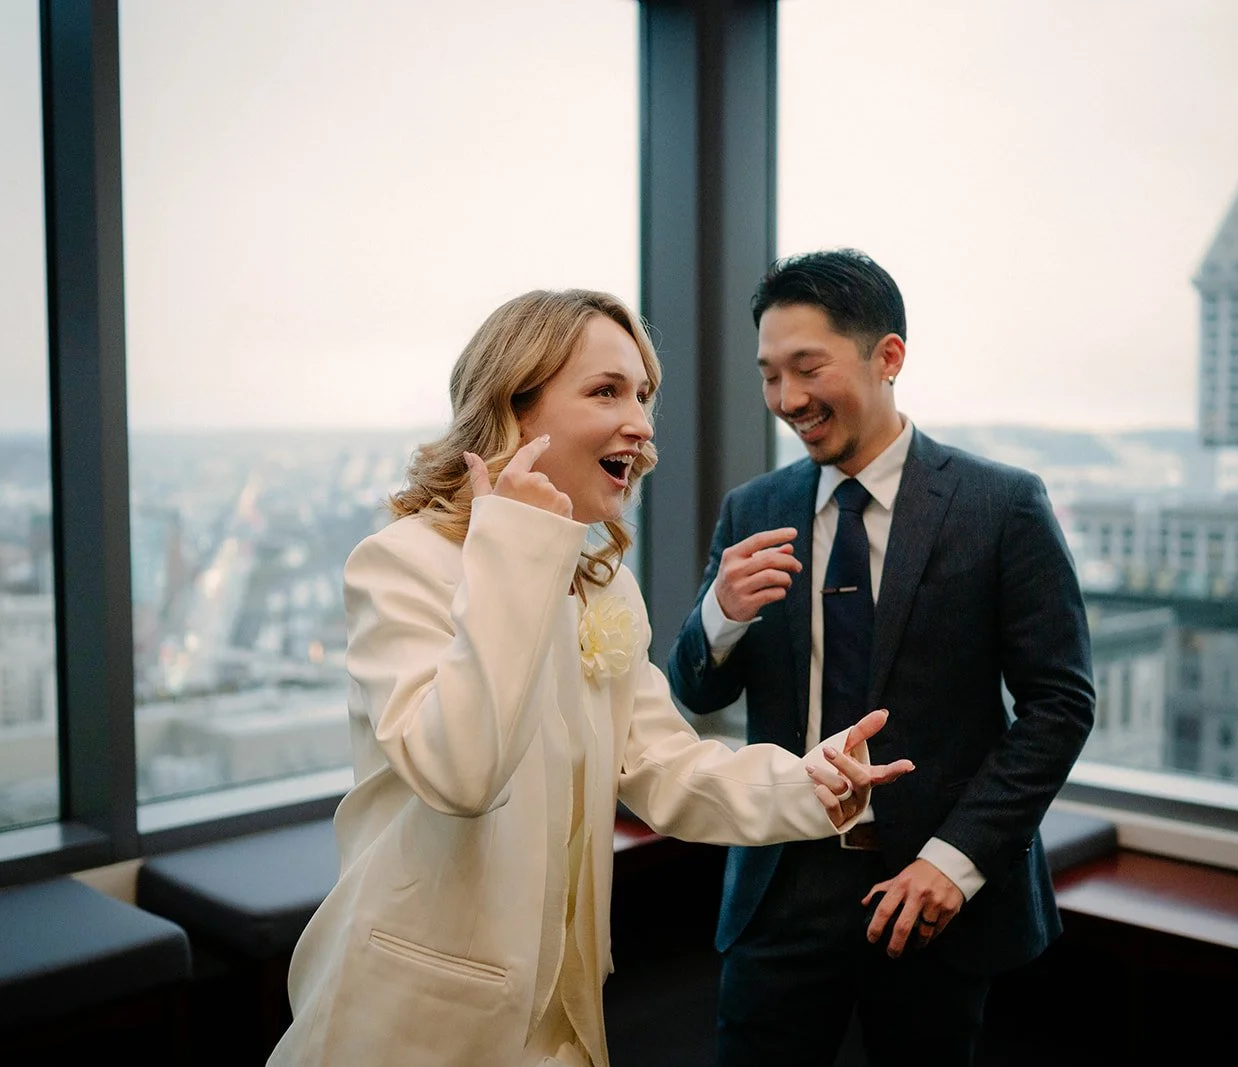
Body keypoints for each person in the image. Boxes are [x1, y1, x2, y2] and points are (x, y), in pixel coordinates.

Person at [267, 288, 913, 1067]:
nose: (640, 423)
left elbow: (663, 765)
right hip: (420, 1017)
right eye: (606, 391)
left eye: (642, 394)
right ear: (517, 406)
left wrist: (811, 785)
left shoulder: (602, 584)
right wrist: (517, 542)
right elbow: (462, 771)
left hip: (563, 1019)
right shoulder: (404, 564)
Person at [666, 249, 1096, 1067]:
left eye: (806, 368)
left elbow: (1060, 704)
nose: (786, 400)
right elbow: (694, 686)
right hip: (780, 886)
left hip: (932, 893)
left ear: (888, 357)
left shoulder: (1002, 505)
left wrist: (954, 862)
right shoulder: (752, 509)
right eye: (769, 376)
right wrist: (717, 613)